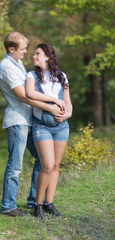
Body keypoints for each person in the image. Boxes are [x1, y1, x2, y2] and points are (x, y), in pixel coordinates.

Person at [0, 32, 65, 217]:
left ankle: (35, 200)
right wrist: (50, 107)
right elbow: (23, 96)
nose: (27, 52)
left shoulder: (17, 63)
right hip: (18, 121)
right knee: (15, 165)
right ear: (12, 49)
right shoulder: (7, 66)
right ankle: (8, 206)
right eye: (23, 48)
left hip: (30, 121)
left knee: (42, 160)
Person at [26, 43, 73, 219]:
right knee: (46, 165)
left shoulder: (62, 76)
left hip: (62, 127)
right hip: (42, 126)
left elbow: (67, 101)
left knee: (55, 166)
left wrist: (67, 114)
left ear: (47, 56)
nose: (33, 56)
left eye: (37, 53)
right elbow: (30, 94)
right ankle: (37, 205)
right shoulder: (31, 76)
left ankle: (48, 203)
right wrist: (53, 101)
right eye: (33, 54)